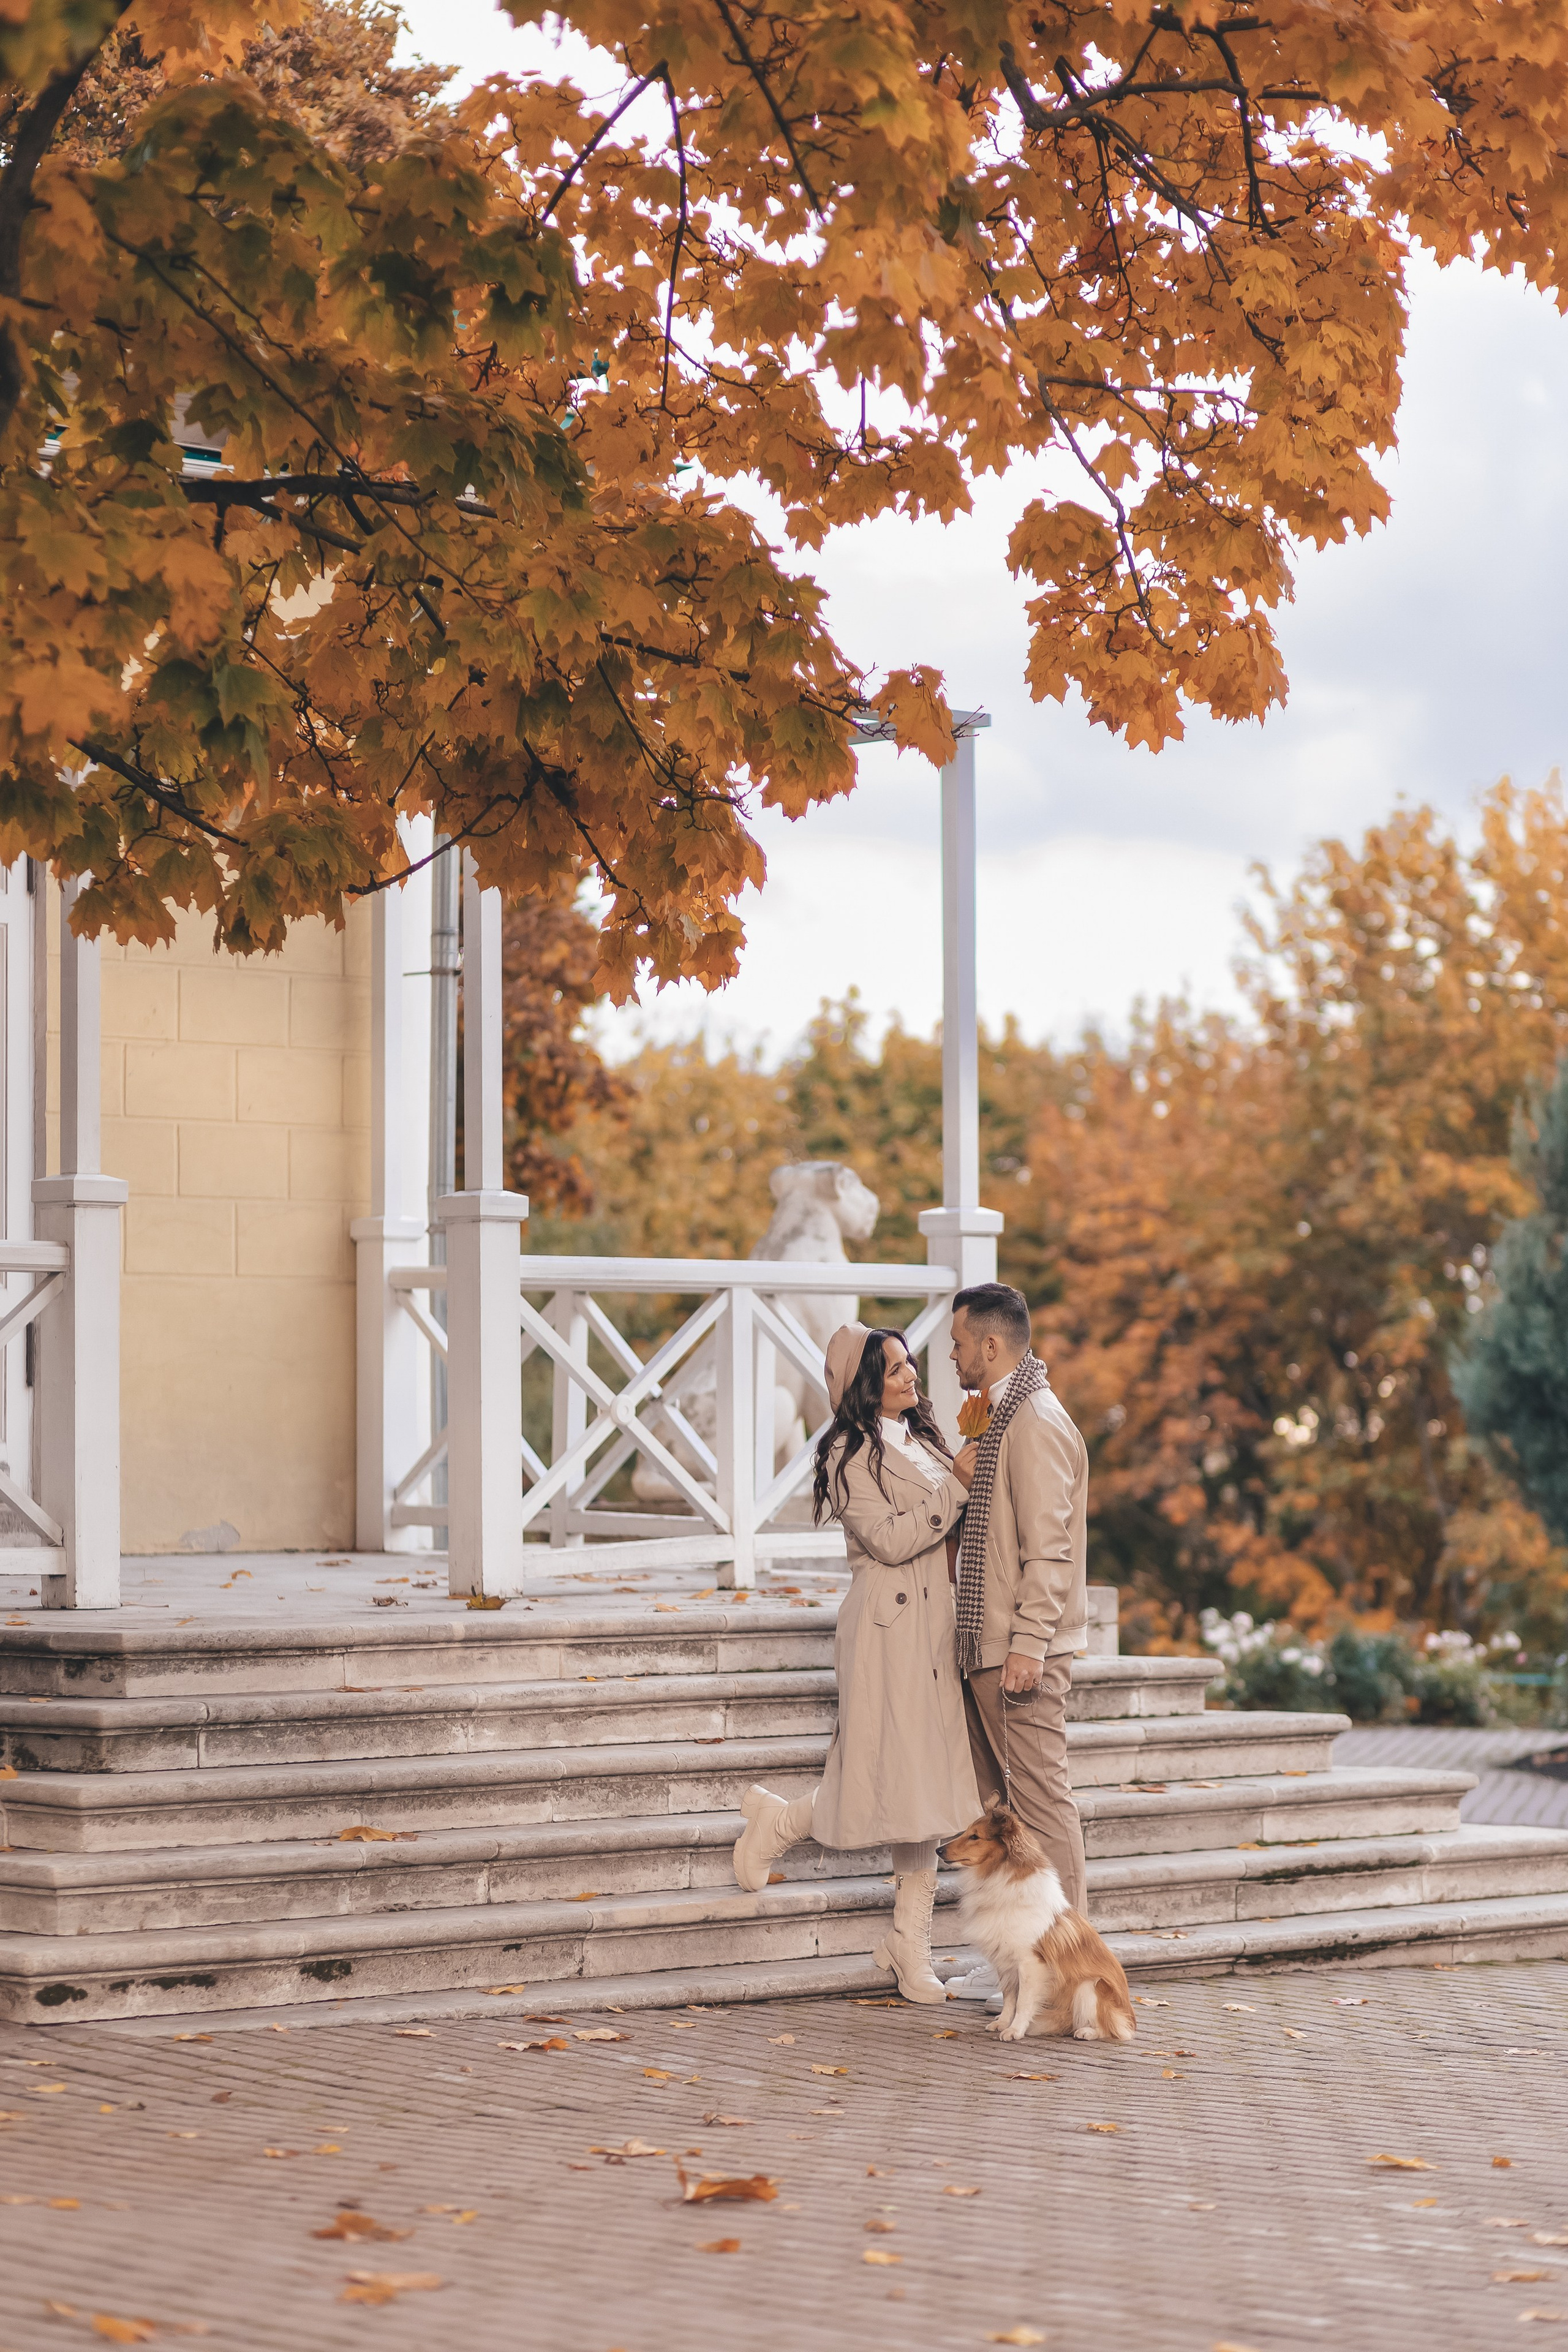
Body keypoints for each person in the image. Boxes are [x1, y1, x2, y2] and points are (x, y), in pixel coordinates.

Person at [730, 1321, 981, 2003]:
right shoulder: (848, 1454)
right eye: (895, 1369)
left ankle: (900, 1934)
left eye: (909, 1363)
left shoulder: (923, 1440)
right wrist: (957, 1488)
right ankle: (901, 1938)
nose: (911, 1376)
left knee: (922, 1789)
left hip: (938, 1626)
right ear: (866, 1384)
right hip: (888, 1631)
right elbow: (890, 1541)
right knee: (897, 1783)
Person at [946, 1281, 1089, 1926]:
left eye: (958, 1343)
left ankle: (1070, 1956)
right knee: (1005, 1811)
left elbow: (1051, 1549)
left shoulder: (1034, 1421)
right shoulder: (1002, 1416)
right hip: (988, 1642)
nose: (952, 1355)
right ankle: (1021, 1954)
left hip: (1017, 1650)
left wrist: (1029, 1643)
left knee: (1042, 1806)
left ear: (990, 1345)